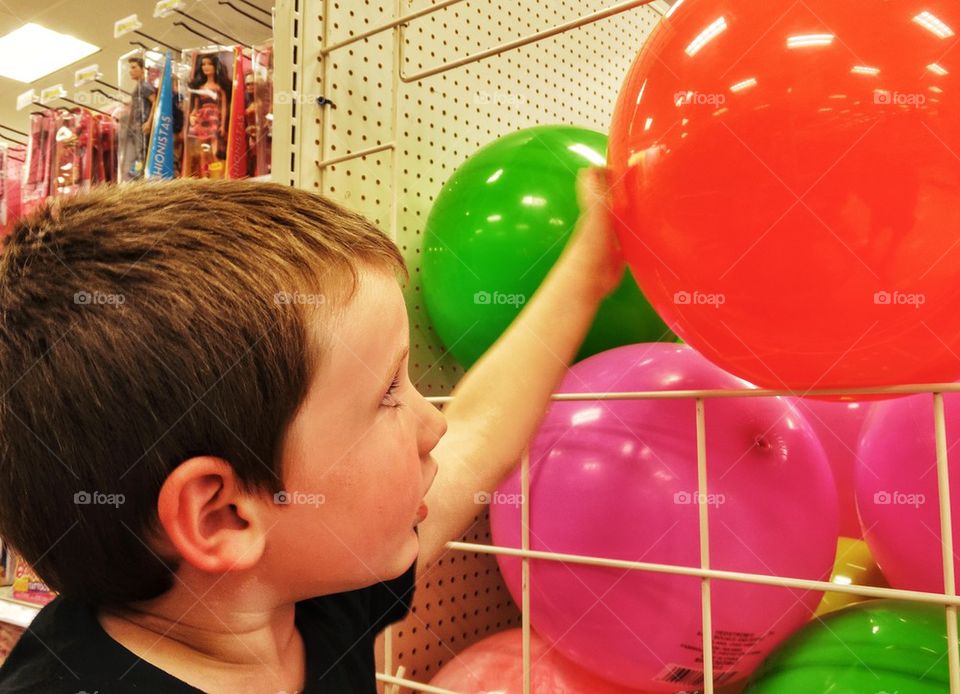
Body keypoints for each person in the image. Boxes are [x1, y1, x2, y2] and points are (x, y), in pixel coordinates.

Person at [0, 170, 623, 693]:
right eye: (388, 393)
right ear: (223, 517)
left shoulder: (303, 590)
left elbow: (478, 432)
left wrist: (590, 268)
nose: (434, 423)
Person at [184, 53, 231, 178]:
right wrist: (192, 116)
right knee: (203, 152)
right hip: (201, 120)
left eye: (209, 64)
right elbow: (196, 107)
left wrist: (223, 125)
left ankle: (218, 174)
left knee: (215, 151)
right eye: (203, 64)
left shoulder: (219, 88)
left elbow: (224, 107)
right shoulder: (200, 88)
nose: (206, 67)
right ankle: (205, 175)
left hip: (214, 120)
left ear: (216, 67)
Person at [119, 56, 156, 180]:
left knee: (142, 152)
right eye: (130, 68)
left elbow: (155, 102)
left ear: (142, 69)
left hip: (143, 124)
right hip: (136, 126)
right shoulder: (139, 86)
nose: (131, 71)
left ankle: (140, 175)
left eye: (134, 67)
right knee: (138, 152)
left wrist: (149, 122)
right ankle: (137, 174)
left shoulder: (145, 86)